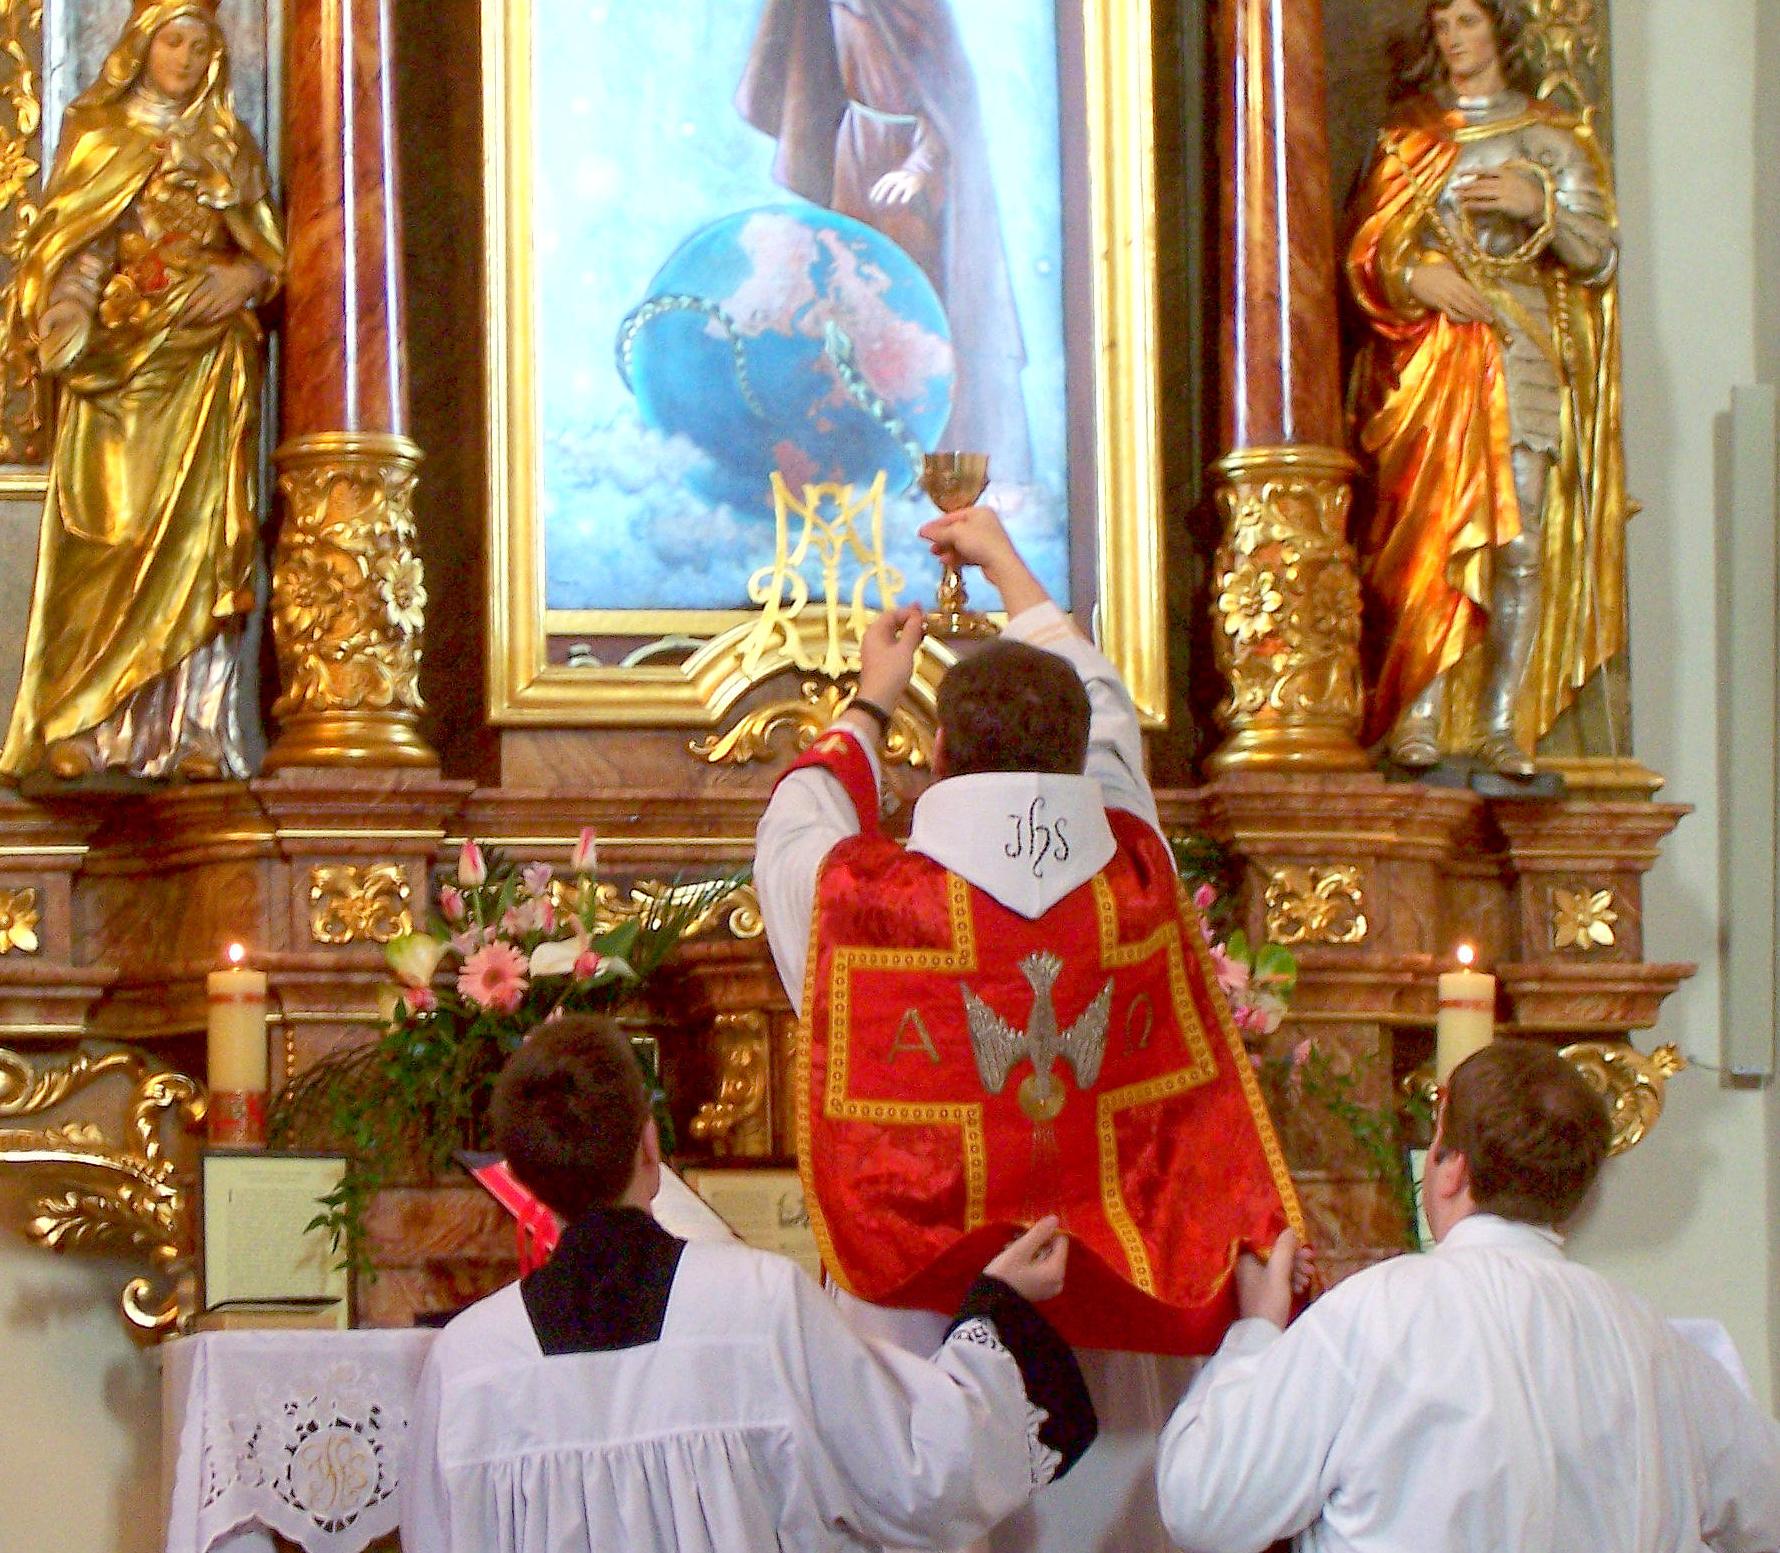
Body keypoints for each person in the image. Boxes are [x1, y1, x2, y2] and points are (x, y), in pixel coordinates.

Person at [755, 506, 1302, 1551]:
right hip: (1116, 1357)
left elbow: (795, 818)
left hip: (924, 1365)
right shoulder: (1137, 875)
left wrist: (870, 699)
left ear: (939, 752)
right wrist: (1007, 566)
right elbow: (1109, 719)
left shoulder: (858, 903)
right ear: (1075, 759)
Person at [400, 1015, 1096, 1553]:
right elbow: (923, 1471)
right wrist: (997, 1309)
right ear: (650, 1145)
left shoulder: (468, 1361)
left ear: (523, 1179)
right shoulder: (758, 1303)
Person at [1155, 1041, 1780, 1553]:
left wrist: (1257, 1331)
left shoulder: (1381, 1311)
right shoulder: (1660, 1347)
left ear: (1451, 1169)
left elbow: (1205, 1503)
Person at [0, 0, 282, 784]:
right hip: (117, 365)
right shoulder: (98, 134)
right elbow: (74, 245)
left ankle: (194, 728)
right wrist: (67, 310)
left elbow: (268, 252)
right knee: (112, 532)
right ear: (140, 47)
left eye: (200, 45)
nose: (185, 59)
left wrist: (244, 277)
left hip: (205, 365)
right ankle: (85, 722)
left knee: (200, 544)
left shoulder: (228, 143)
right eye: (173, 41)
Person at [1344, 0, 1627, 776]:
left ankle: (1503, 722)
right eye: (1442, 27)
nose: (1454, 40)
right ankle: (1420, 710)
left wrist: (1538, 208)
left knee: (1520, 542)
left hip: (1521, 342)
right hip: (1432, 355)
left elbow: (1599, 254)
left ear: (1498, 31)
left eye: (1467, 22)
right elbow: (1367, 249)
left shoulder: (1549, 136)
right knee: (1429, 532)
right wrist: (1414, 275)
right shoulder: (1409, 136)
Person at [736, 0, 1031, 477]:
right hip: (854, 152)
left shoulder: (918, 9)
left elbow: (948, 97)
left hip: (907, 179)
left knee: (912, 310)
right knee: (851, 302)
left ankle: (931, 455)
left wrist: (920, 166)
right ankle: (864, 454)